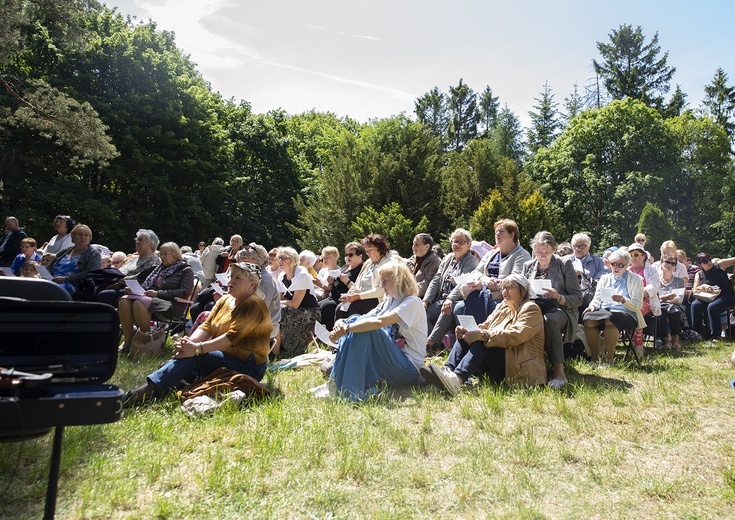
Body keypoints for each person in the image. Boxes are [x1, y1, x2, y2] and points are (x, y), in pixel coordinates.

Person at [124, 262, 272, 404]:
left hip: (249, 365)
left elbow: (230, 338)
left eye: (238, 278)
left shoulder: (254, 305)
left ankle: (146, 391)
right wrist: (188, 343)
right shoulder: (226, 299)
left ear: (253, 285)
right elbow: (206, 327)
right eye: (231, 276)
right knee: (190, 354)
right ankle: (159, 385)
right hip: (227, 356)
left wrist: (196, 348)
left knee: (197, 356)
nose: (231, 281)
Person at [313, 261, 427, 401]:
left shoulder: (412, 302)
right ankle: (336, 381)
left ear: (398, 280)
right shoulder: (390, 301)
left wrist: (346, 329)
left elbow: (379, 322)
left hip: (408, 367)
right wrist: (340, 324)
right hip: (389, 360)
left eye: (385, 281)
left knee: (367, 328)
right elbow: (363, 319)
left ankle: (351, 392)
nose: (381, 286)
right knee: (355, 319)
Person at [421, 273, 546, 394]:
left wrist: (482, 335)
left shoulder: (531, 309)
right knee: (467, 336)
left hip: (518, 368)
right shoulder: (504, 306)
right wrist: (466, 331)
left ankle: (457, 379)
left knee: (482, 341)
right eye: (503, 288)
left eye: (509, 287)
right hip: (502, 362)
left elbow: (516, 335)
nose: (504, 292)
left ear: (523, 290)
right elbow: (485, 325)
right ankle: (447, 371)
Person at [523, 231, 582, 389]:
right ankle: (524, 365)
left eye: (547, 251)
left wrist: (559, 296)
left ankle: (558, 370)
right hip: (534, 307)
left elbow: (577, 298)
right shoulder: (528, 266)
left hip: (560, 309)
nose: (542, 255)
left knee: (549, 320)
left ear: (554, 249)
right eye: (539, 251)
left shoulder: (564, 264)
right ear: (534, 250)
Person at [118, 242, 194, 352]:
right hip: (148, 298)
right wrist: (133, 289)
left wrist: (158, 293)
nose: (162, 257)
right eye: (161, 254)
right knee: (124, 300)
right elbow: (143, 283)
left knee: (139, 303)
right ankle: (128, 342)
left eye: (165, 254)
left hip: (171, 304)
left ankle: (146, 341)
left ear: (175, 254)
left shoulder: (186, 270)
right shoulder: (157, 269)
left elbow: (184, 292)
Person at [582, 249, 645, 364]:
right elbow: (597, 298)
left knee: (612, 318)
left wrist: (623, 300)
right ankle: (595, 357)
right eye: (613, 264)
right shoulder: (605, 278)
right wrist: (592, 306)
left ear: (627, 266)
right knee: (588, 318)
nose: (616, 267)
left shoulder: (636, 279)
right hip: (605, 310)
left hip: (628, 313)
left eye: (620, 265)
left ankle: (609, 359)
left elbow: (637, 305)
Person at [423, 228, 479, 352]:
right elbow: (436, 280)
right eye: (454, 241)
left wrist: (450, 298)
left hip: (457, 299)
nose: (456, 245)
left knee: (448, 308)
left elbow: (464, 282)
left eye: (461, 242)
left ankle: (430, 344)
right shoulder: (448, 258)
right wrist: (426, 300)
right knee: (422, 312)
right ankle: (437, 345)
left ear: (469, 245)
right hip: (439, 300)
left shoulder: (472, 261)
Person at [335, 234, 394, 321]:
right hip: (360, 296)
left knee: (355, 308)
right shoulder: (369, 262)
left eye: (370, 250)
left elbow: (382, 290)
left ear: (379, 248)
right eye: (366, 251)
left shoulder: (390, 263)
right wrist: (348, 295)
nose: (367, 253)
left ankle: (354, 334)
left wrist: (358, 296)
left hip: (378, 299)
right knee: (340, 308)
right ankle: (339, 334)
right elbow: (358, 283)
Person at [96, 229, 162, 307]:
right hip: (117, 285)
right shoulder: (132, 259)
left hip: (135, 291)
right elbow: (119, 272)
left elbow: (142, 278)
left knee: (104, 294)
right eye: (137, 240)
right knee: (92, 288)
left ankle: (113, 318)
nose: (137, 242)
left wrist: (121, 280)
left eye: (141, 240)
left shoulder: (154, 261)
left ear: (150, 244)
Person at [276, 246, 321, 357]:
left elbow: (295, 304)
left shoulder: (302, 275)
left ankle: (287, 350)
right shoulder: (281, 276)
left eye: (284, 258)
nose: (280, 261)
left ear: (292, 259)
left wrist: (279, 303)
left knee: (283, 312)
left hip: (309, 312)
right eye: (279, 258)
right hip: (291, 309)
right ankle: (274, 348)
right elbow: (278, 299)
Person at [319, 242, 364, 331]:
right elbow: (333, 286)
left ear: (360, 256)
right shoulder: (345, 267)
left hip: (347, 298)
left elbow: (359, 289)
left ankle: (332, 334)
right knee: (317, 306)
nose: (347, 257)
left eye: (351, 255)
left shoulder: (361, 269)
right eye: (346, 254)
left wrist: (347, 282)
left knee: (326, 307)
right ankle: (321, 335)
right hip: (334, 295)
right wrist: (330, 282)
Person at [689, 252, 735, 340]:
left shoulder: (719, 265)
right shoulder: (699, 274)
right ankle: (697, 333)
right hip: (708, 297)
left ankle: (716, 335)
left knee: (713, 306)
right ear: (700, 265)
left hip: (726, 295)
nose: (709, 262)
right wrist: (704, 286)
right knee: (695, 305)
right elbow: (695, 290)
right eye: (705, 262)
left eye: (709, 259)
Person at [48, 224, 101, 296]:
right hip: (52, 281)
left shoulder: (93, 254)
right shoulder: (65, 251)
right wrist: (47, 276)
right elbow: (49, 266)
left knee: (51, 289)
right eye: (80, 235)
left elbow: (90, 273)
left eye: (86, 235)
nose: (83, 237)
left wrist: (66, 279)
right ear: (73, 237)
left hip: (74, 286)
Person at [627, 242, 661, 353]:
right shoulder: (626, 271)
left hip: (647, 302)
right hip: (627, 301)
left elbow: (653, 289)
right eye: (630, 255)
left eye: (636, 255)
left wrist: (636, 293)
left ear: (644, 256)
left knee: (637, 310)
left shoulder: (651, 271)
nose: (633, 258)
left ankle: (638, 346)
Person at [565, 233, 605, 311]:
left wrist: (582, 275)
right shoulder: (565, 261)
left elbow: (601, 282)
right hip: (568, 297)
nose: (578, 249)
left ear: (588, 248)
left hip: (590, 299)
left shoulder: (598, 262)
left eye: (582, 246)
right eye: (575, 246)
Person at [658, 253, 686, 350]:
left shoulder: (679, 282)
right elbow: (654, 298)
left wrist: (665, 299)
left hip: (674, 305)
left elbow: (679, 298)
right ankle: (665, 340)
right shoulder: (655, 280)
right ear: (661, 263)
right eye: (667, 262)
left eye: (672, 263)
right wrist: (666, 298)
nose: (669, 265)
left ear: (675, 267)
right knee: (660, 311)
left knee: (674, 310)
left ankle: (675, 339)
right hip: (659, 306)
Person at [406, 233, 441, 299]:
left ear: (427, 246)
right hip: (406, 295)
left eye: (416, 244)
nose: (413, 247)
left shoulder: (435, 262)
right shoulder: (411, 260)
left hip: (421, 298)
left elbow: (427, 284)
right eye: (413, 244)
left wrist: (406, 292)